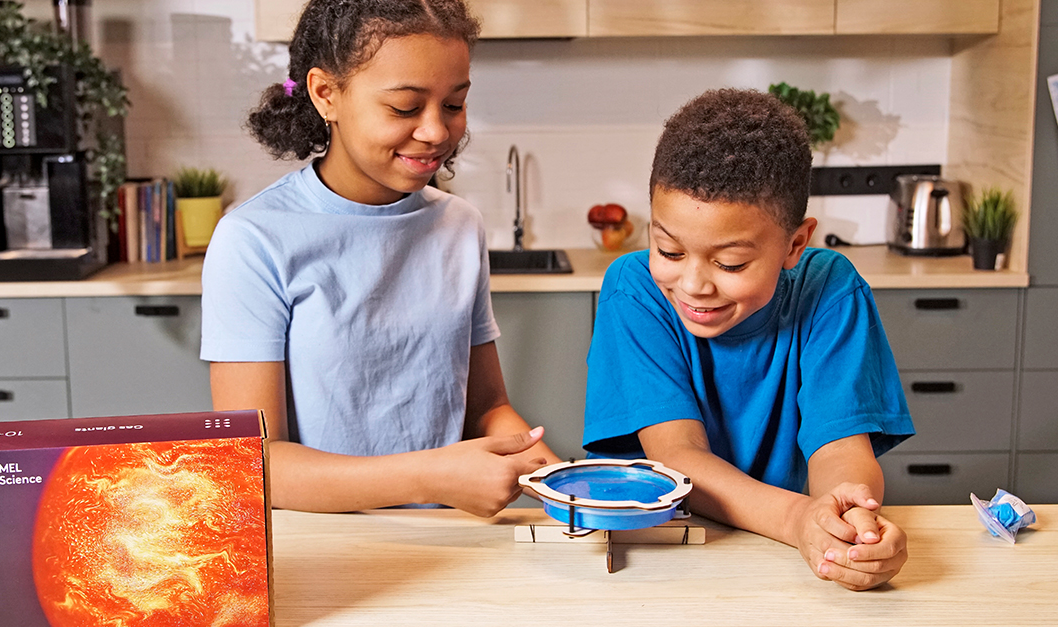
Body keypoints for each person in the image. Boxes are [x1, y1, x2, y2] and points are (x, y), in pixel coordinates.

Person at [201, 0, 558, 517]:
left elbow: (487, 409)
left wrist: (544, 469)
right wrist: (430, 476)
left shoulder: (459, 225)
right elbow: (255, 466)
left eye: (454, 105)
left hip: (449, 535)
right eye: (406, 108)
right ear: (327, 94)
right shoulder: (254, 239)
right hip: (325, 551)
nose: (437, 131)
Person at [583, 88, 915, 591]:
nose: (694, 285)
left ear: (795, 244)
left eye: (730, 263)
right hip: (656, 556)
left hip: (770, 558)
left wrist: (848, 520)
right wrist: (799, 521)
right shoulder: (635, 290)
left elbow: (840, 449)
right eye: (669, 250)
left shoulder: (829, 289)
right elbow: (677, 456)